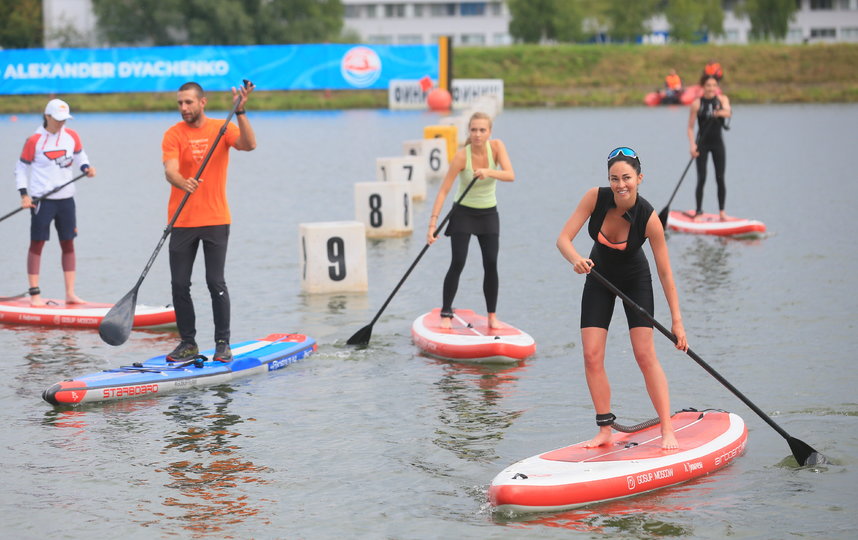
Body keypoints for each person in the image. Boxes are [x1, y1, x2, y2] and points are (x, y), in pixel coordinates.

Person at [556, 147, 688, 450]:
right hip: (598, 276)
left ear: (639, 178)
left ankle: (668, 429)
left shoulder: (649, 218)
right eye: (614, 178)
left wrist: (677, 323)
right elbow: (563, 239)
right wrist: (575, 259)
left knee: (644, 354)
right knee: (591, 355)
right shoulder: (595, 198)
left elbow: (666, 274)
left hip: (634, 280)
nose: (620, 184)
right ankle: (605, 429)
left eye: (626, 177)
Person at [162, 81, 256, 362]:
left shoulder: (221, 128)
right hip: (181, 219)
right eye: (180, 103)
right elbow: (170, 171)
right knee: (179, 284)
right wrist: (183, 182)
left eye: (189, 102)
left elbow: (250, 145)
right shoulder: (173, 134)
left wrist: (240, 111)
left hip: (215, 218)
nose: (183, 108)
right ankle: (188, 343)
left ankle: (222, 343)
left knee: (215, 281)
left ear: (202, 102)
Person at [426, 112, 515, 330]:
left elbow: (510, 175)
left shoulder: (496, 147)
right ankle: (446, 312)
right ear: (469, 131)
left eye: (482, 130)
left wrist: (488, 172)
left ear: (489, 132)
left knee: (491, 263)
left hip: (488, 214)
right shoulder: (460, 156)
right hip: (463, 213)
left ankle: (492, 316)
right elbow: (443, 190)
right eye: (474, 130)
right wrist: (432, 224)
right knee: (458, 262)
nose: (477, 134)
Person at [14, 98, 97, 306]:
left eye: (64, 119)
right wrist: (24, 195)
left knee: (68, 244)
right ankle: (35, 294)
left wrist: (86, 167)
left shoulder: (72, 135)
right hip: (42, 200)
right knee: (37, 244)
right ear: (47, 116)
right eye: (58, 119)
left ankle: (70, 293)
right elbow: (21, 169)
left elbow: (80, 156)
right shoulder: (34, 140)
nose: (61, 123)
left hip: (66, 199)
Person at [688, 74, 732, 220]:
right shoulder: (697, 103)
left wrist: (718, 112)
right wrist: (692, 146)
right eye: (708, 85)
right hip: (702, 145)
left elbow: (728, 112)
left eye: (714, 85)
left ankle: (722, 213)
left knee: (720, 178)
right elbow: (690, 127)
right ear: (703, 87)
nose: (711, 88)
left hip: (718, 144)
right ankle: (698, 212)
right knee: (702, 178)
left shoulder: (722, 99)